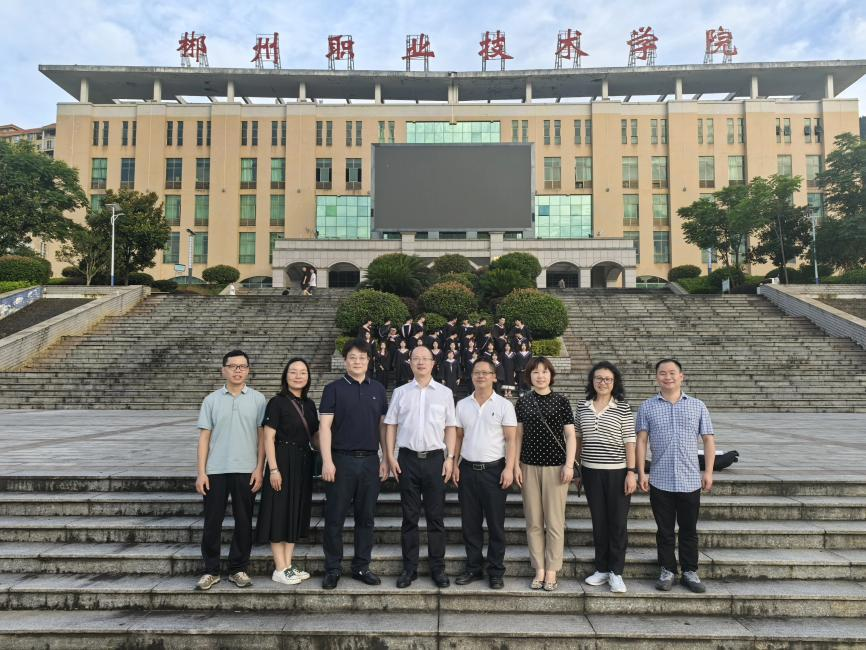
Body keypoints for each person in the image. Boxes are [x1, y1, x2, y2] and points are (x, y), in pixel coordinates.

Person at [636, 358, 715, 594]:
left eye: (672, 373)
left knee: (689, 529)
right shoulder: (647, 406)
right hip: (660, 480)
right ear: (657, 377)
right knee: (665, 530)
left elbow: (708, 439)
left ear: (681, 376)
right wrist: (641, 472)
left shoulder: (697, 406)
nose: (667, 377)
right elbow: (641, 441)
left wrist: (708, 472)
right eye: (663, 373)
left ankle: (690, 571)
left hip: (690, 480)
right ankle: (667, 570)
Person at [318, 339, 390, 590]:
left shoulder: (378, 389)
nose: (357, 361)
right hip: (341, 461)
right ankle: (333, 568)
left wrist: (385, 458)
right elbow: (324, 427)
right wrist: (327, 461)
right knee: (334, 518)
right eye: (352, 357)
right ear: (345, 361)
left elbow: (383, 427)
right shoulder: (333, 389)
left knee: (366, 518)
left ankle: (361, 566)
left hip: (370, 461)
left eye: (362, 357)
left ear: (369, 360)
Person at [385, 346, 457, 589]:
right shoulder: (400, 392)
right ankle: (409, 569)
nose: (421, 362)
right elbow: (391, 424)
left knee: (436, 518)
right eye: (416, 358)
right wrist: (390, 456)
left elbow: (450, 427)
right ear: (410, 362)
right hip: (407, 460)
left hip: (436, 460)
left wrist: (450, 457)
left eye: (425, 358)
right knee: (409, 518)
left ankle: (438, 568)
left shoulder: (445, 393)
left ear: (433, 363)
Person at [195, 350, 267, 591]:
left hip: (246, 469)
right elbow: (204, 438)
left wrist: (260, 469)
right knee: (212, 521)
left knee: (244, 521)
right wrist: (201, 472)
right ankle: (211, 570)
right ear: (223, 370)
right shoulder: (211, 400)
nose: (238, 370)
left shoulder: (258, 400)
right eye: (233, 366)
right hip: (215, 470)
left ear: (248, 370)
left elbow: (262, 438)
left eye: (242, 366)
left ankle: (238, 569)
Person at [453, 358, 518, 589]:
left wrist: (509, 468)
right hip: (468, 470)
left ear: (494, 376)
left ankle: (496, 571)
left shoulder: (504, 405)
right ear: (471, 376)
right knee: (470, 524)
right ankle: (473, 568)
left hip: (494, 471)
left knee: (495, 525)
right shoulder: (462, 405)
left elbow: (511, 440)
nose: (480, 376)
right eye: (476, 372)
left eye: (485, 372)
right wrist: (453, 463)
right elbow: (458, 437)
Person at [514, 357, 576, 592]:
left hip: (556, 468)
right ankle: (539, 568)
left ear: (551, 375)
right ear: (529, 376)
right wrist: (515, 465)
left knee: (555, 522)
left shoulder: (561, 401)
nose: (540, 376)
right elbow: (518, 436)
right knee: (533, 521)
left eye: (545, 372)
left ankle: (552, 569)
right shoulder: (523, 402)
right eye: (535, 372)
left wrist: (569, 465)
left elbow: (570, 436)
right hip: (529, 466)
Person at [255, 358, 318, 585]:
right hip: (281, 460)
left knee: (295, 512)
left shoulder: (309, 405)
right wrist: (273, 469)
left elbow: (315, 436)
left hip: (303, 462)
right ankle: (279, 568)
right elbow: (268, 437)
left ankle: (288, 566)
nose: (298, 376)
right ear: (285, 376)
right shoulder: (277, 402)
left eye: (302, 372)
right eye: (293, 372)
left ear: (308, 377)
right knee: (279, 512)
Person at [576, 361, 636, 594]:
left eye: (608, 379)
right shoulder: (582, 407)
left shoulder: (622, 408)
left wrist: (631, 472)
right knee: (599, 522)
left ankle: (616, 572)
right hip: (591, 472)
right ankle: (601, 568)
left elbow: (629, 442)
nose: (603, 383)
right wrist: (577, 469)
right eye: (599, 378)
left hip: (617, 473)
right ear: (592, 381)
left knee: (618, 523)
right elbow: (578, 439)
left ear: (614, 383)